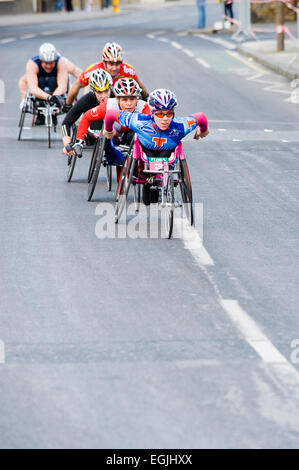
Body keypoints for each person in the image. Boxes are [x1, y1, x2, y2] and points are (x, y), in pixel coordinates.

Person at [103, 89, 209, 204]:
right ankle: (148, 181)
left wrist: (203, 130)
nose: (165, 119)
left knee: (166, 156)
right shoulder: (139, 121)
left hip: (168, 155)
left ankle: (156, 181)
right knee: (138, 168)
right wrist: (108, 130)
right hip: (144, 156)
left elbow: (201, 117)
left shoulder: (180, 125)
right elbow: (110, 114)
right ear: (152, 113)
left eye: (169, 114)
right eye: (159, 114)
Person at [75, 77, 151, 177]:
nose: (128, 103)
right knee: (112, 143)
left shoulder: (144, 107)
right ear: (117, 99)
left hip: (132, 133)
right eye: (124, 99)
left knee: (136, 137)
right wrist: (79, 141)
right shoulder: (108, 105)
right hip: (112, 133)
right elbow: (86, 118)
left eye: (132, 99)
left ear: (137, 98)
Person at [66, 42, 148, 106]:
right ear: (104, 62)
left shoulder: (127, 69)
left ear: (121, 63)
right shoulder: (93, 70)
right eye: (111, 64)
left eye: (117, 64)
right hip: (98, 101)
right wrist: (68, 105)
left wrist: (146, 97)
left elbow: (139, 84)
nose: (114, 68)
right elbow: (77, 85)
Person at [62, 68, 112, 156]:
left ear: (110, 88)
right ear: (93, 91)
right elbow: (66, 123)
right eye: (99, 92)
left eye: (106, 91)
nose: (104, 96)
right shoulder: (87, 99)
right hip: (92, 134)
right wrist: (67, 144)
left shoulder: (116, 97)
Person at [23, 43, 69, 125]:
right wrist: (48, 97)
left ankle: (53, 113)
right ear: (41, 61)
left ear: (55, 60)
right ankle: (40, 113)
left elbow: (63, 86)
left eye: (51, 63)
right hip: (39, 89)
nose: (48, 66)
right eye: (46, 63)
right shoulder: (32, 63)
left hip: (55, 88)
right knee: (41, 80)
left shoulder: (61, 62)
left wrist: (54, 98)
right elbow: (33, 88)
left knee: (52, 80)